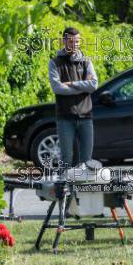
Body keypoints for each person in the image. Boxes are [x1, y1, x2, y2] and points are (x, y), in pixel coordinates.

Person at [48, 27, 98, 169]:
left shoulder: (86, 61)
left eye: (77, 41)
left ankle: (83, 190)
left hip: (86, 116)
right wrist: (83, 87)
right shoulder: (55, 62)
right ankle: (65, 189)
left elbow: (93, 85)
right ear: (64, 41)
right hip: (65, 117)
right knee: (66, 157)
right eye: (71, 41)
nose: (74, 44)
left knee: (87, 160)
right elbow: (57, 88)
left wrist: (71, 84)